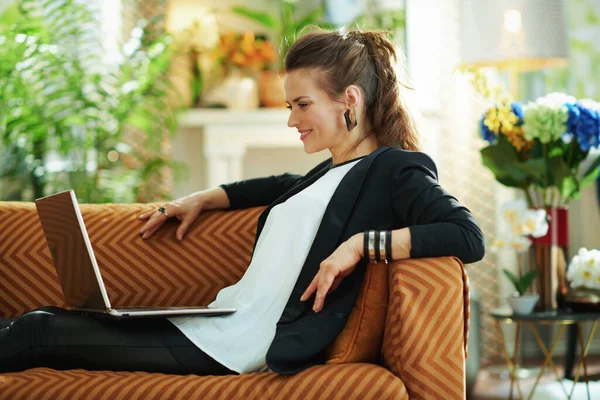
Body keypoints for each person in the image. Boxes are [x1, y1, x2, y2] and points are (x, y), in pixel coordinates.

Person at [0, 27, 484, 376]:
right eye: (289, 106)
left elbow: (466, 234)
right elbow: (278, 184)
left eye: (302, 104)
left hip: (240, 346)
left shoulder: (396, 168)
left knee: (37, 331)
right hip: (217, 327)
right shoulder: (332, 174)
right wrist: (204, 198)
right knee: (33, 321)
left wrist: (360, 245)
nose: (292, 120)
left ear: (349, 102)